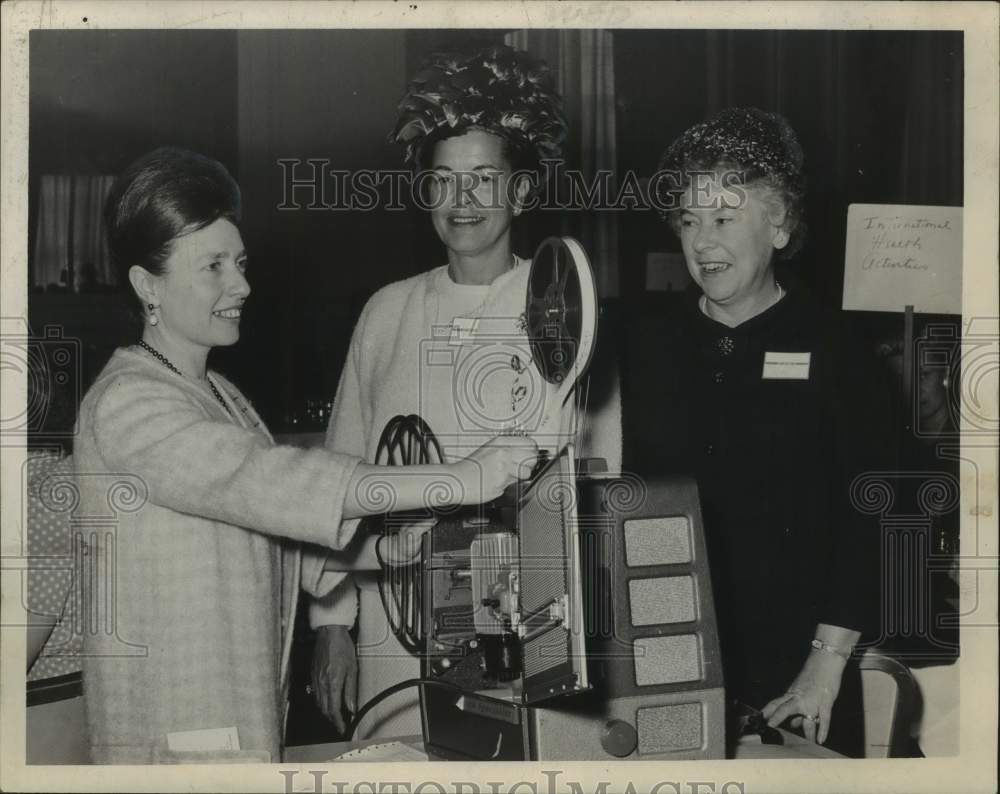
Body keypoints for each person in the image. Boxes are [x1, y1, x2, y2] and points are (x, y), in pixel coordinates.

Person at [75, 147, 537, 764]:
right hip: (172, 725)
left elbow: (268, 534)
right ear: (146, 285)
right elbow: (264, 481)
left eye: (238, 263)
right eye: (212, 267)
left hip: (230, 713)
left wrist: (376, 550)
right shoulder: (127, 401)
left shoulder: (220, 395)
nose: (241, 284)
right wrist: (460, 479)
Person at [306, 43, 568, 739]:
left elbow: (585, 481)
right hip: (394, 622)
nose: (462, 202)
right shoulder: (387, 309)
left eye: (483, 179)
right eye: (445, 180)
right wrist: (330, 620)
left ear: (520, 191)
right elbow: (341, 467)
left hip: (516, 618)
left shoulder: (559, 310)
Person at [621, 108, 885, 757]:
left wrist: (825, 665)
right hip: (670, 664)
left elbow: (871, 517)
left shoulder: (838, 348)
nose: (701, 242)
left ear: (780, 222)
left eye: (722, 218)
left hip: (800, 675)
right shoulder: (645, 346)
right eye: (688, 220)